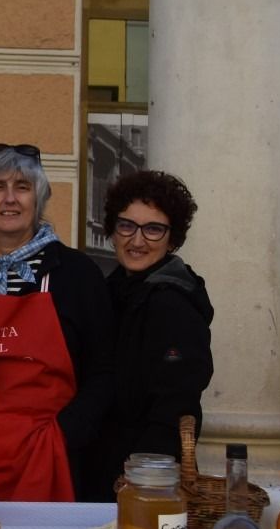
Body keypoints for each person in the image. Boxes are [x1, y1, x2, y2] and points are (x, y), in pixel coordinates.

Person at [0, 143, 113, 501]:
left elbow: (105, 372)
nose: (10, 199)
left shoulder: (76, 274)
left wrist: (64, 435)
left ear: (39, 200)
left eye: (22, 187)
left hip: (46, 453)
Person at [82, 170, 213, 501]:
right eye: (127, 225)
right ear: (113, 230)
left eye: (153, 229)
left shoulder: (174, 303)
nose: (137, 241)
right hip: (102, 471)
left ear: (172, 239)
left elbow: (175, 408)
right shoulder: (111, 293)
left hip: (145, 484)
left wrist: (139, 483)